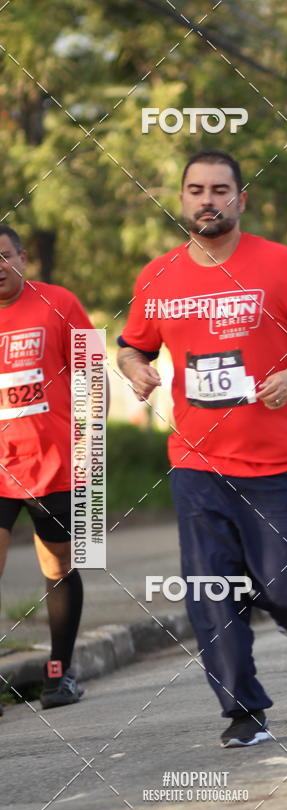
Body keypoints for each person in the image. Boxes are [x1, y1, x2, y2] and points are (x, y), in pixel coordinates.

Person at [117, 149, 287, 748]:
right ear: (183, 200)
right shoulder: (157, 276)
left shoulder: (278, 264)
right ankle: (244, 710)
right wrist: (135, 370)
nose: (208, 200)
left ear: (240, 200)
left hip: (280, 461)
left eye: (221, 190)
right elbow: (132, 345)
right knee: (211, 591)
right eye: (196, 190)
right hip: (198, 463)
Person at [0, 225, 98, 710]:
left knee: (57, 565)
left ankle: (59, 673)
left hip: (52, 463)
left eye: (4, 255)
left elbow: (93, 373)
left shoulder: (58, 302)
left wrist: (90, 451)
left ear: (22, 257)